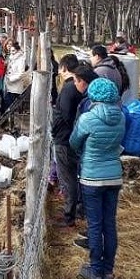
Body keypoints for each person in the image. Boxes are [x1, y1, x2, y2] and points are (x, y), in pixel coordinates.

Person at [70, 77, 126, 279]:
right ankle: (108, 272)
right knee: (109, 224)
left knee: (95, 225)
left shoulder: (87, 118)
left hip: (92, 177)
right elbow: (121, 141)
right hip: (114, 175)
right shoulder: (121, 117)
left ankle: (95, 273)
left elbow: (74, 142)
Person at [51, 53, 82, 229]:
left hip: (64, 138)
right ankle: (76, 208)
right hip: (70, 136)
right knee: (72, 175)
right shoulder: (76, 87)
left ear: (63, 68)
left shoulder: (69, 89)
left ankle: (69, 215)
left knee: (67, 177)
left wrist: (55, 131)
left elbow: (64, 115)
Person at [4, 40, 30, 111]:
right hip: (9, 86)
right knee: (7, 105)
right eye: (11, 50)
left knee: (10, 106)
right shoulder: (11, 58)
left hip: (15, 87)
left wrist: (10, 79)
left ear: (17, 50)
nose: (12, 52)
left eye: (13, 50)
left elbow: (21, 74)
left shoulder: (21, 59)